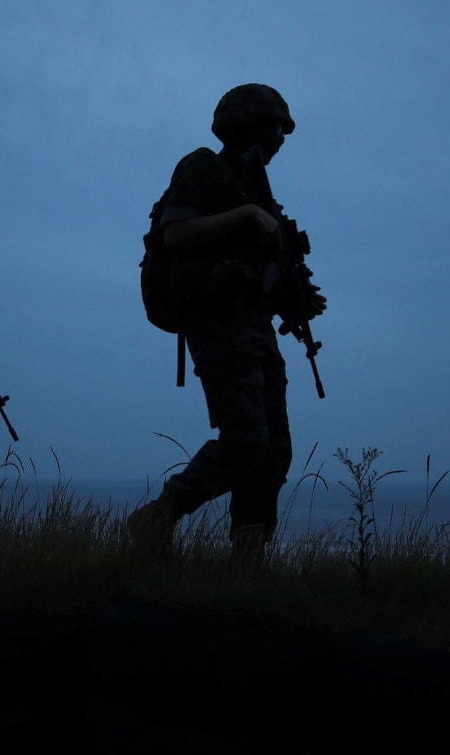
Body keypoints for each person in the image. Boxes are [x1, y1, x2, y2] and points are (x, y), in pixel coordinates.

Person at [128, 83, 326, 560]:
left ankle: (248, 560)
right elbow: (176, 235)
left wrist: (298, 299)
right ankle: (158, 516)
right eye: (276, 129)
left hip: (255, 327)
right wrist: (246, 215)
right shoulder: (203, 169)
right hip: (215, 320)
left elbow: (259, 271)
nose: (280, 141)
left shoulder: (258, 194)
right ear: (249, 125)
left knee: (274, 451)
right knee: (246, 441)